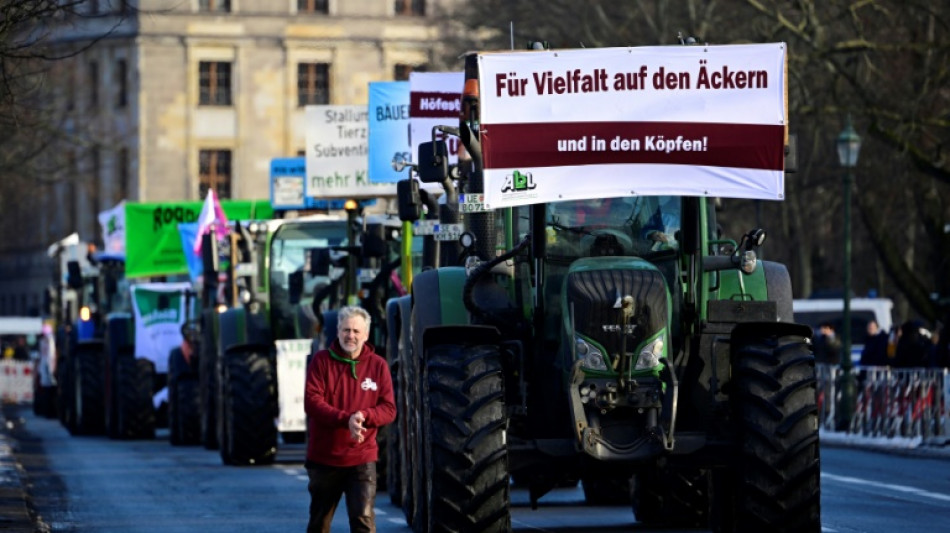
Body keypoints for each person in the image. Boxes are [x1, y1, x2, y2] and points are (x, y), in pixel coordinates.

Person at [304, 305, 396, 533]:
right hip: (325, 458)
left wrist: (365, 416)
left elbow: (389, 409)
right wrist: (346, 419)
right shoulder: (321, 361)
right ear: (337, 331)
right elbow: (312, 402)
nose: (351, 336)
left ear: (366, 335)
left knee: (363, 520)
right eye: (346, 330)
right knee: (319, 524)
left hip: (362, 457)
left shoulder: (378, 365)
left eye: (356, 331)